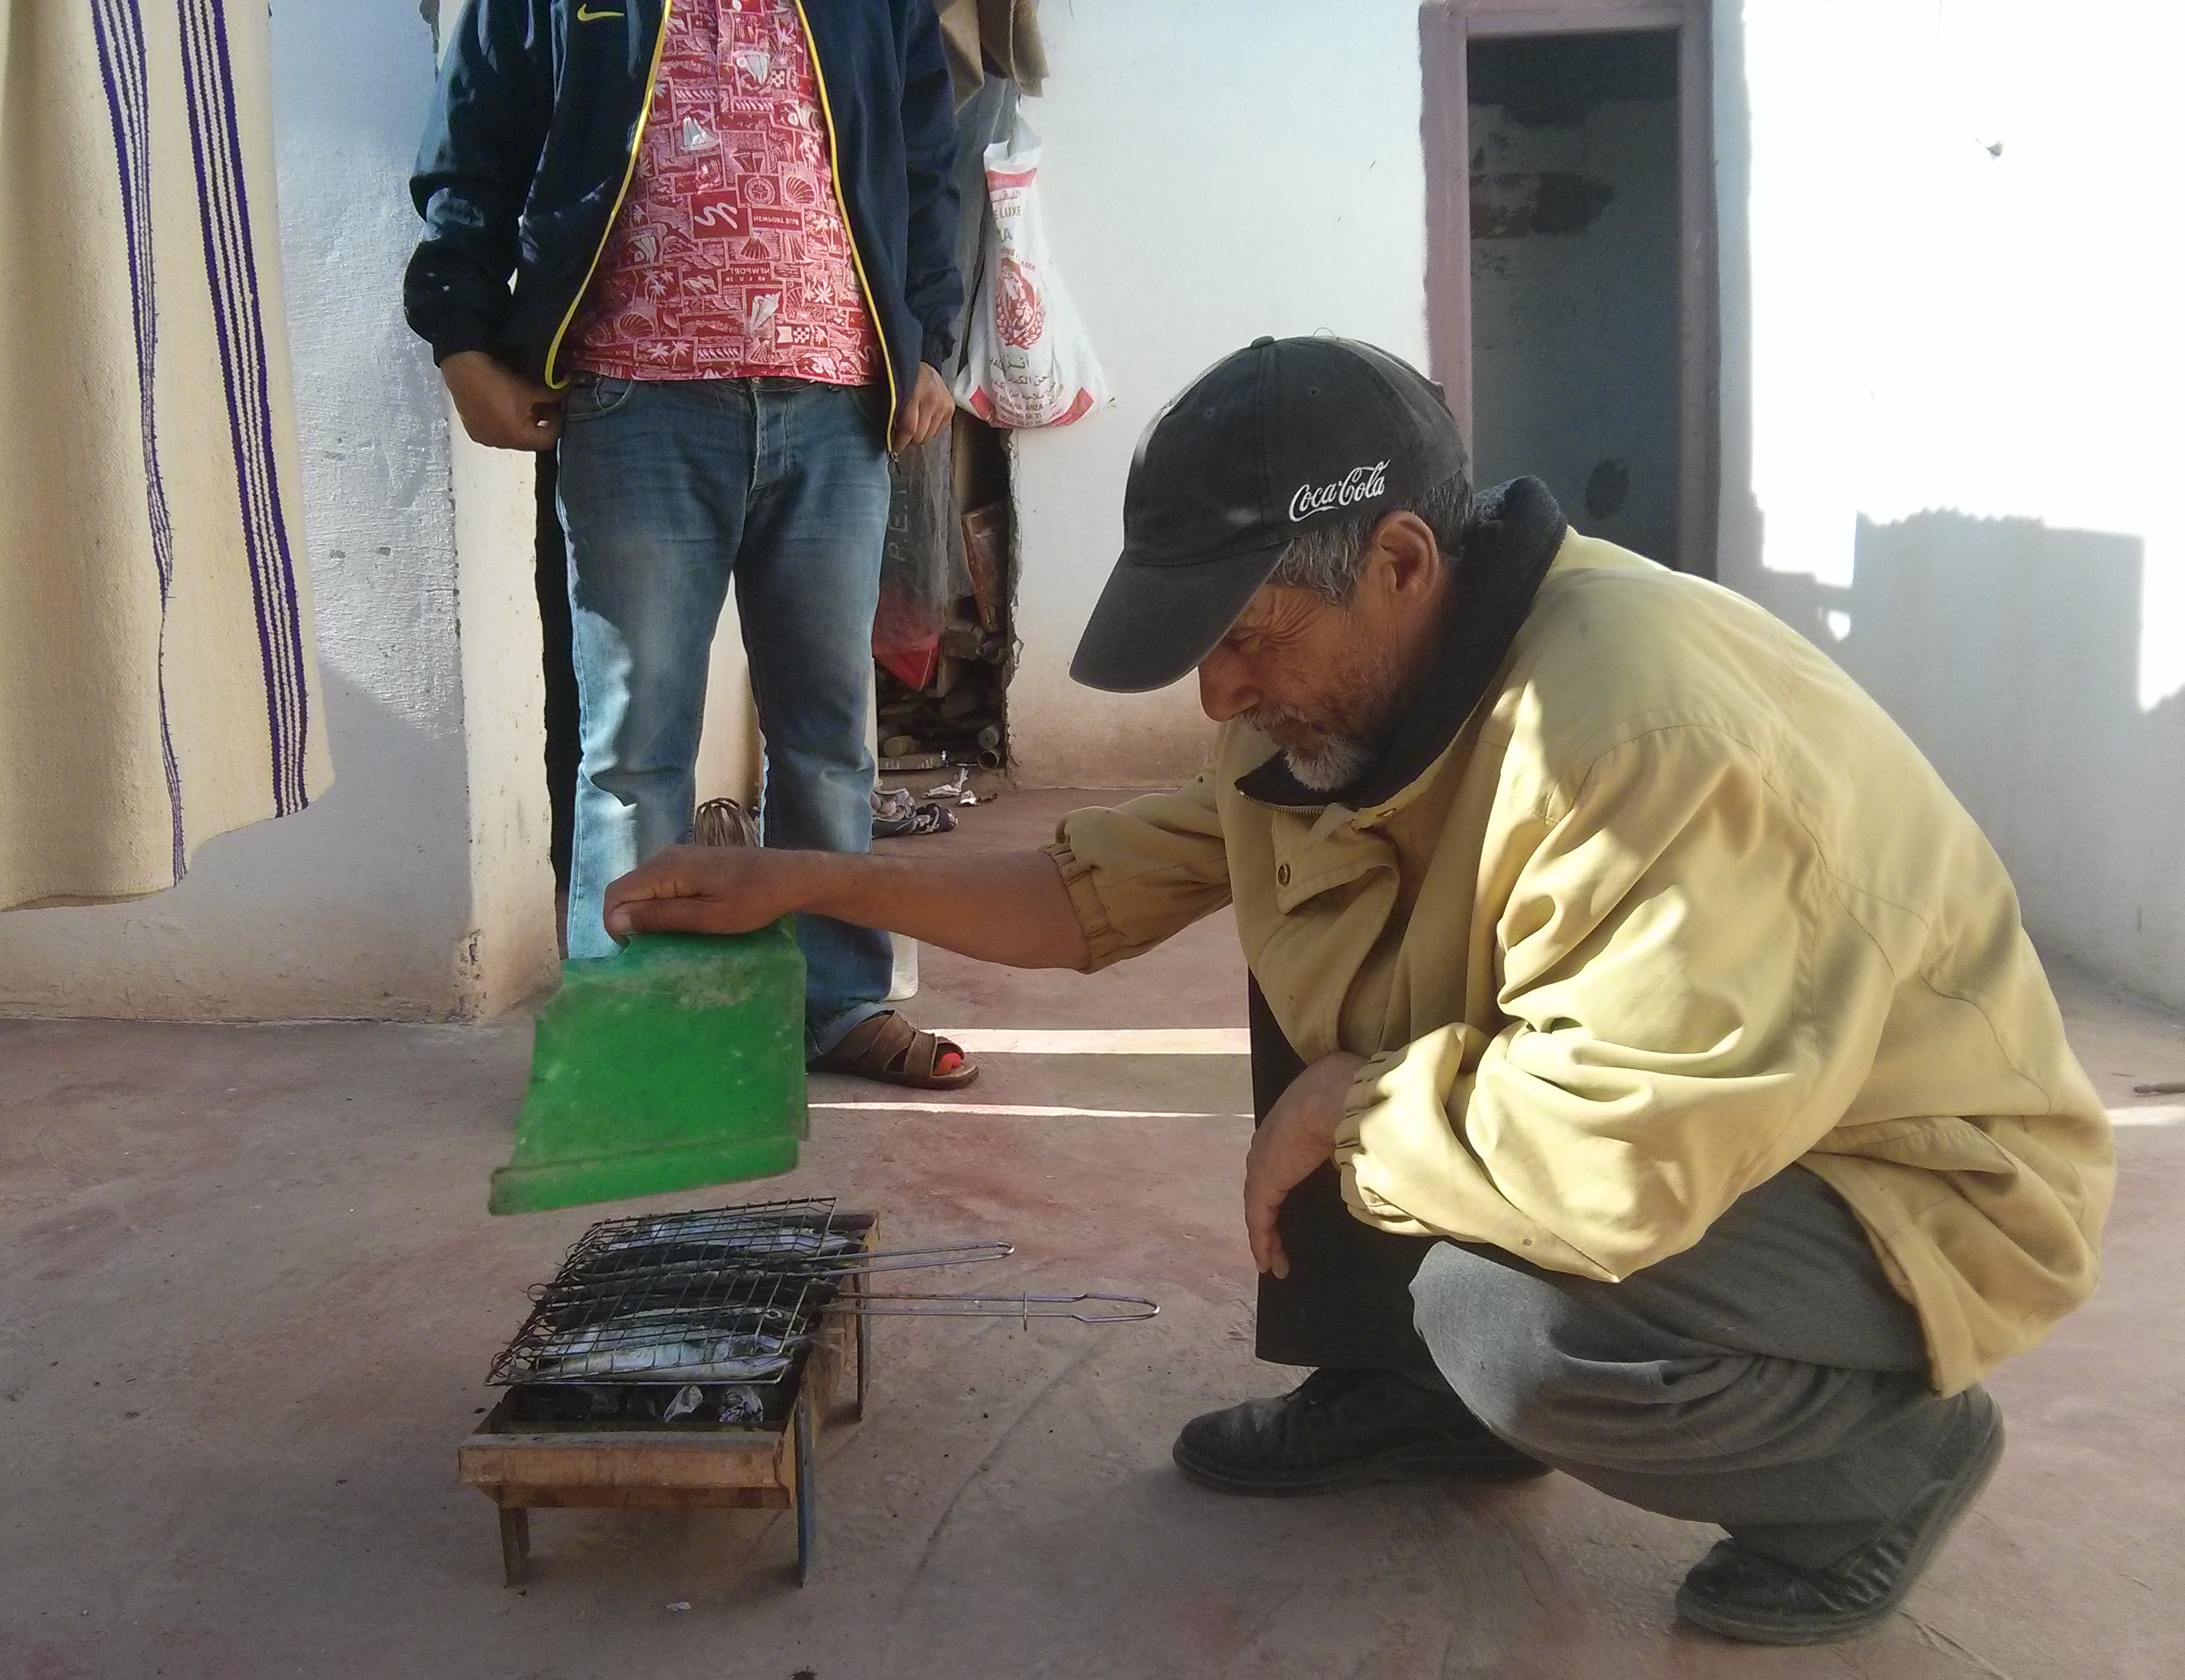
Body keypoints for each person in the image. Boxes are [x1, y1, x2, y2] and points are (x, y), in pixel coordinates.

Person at [596, 335, 2113, 1644]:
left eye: (1247, 638)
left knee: (1513, 1319)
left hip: (1898, 1182)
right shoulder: (1369, 698)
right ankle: (1408, 1397)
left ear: (1397, 561)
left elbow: (1621, 1162)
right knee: (1304, 900)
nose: (1218, 695)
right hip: (1699, 1108)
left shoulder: (1637, 748)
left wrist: (1363, 1101)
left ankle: (1877, 1478)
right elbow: (1100, 883)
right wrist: (808, 882)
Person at [403, 0, 977, 1088]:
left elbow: (925, 154)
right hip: (633, 402)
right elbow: (472, 146)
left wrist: (931, 338)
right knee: (634, 747)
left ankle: (840, 1003)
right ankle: (640, 1027)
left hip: (836, 401)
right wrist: (463, 338)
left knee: (829, 739)